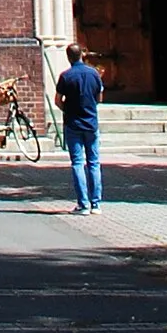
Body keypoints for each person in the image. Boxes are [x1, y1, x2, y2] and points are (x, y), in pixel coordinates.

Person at [55, 41, 105, 213]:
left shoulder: (65, 76)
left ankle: (82, 204)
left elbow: (57, 100)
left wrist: (67, 110)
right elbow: (99, 98)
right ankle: (96, 204)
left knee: (77, 163)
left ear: (68, 57)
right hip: (91, 123)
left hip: (73, 123)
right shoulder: (94, 74)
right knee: (94, 163)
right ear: (82, 55)